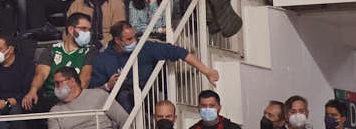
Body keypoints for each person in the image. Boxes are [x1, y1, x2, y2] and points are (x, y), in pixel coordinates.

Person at [89, 21, 218, 110]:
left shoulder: (145, 47)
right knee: (122, 97)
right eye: (129, 39)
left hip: (146, 95)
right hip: (117, 100)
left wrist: (206, 71)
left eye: (134, 37)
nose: (134, 42)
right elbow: (92, 92)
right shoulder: (103, 59)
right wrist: (107, 86)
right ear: (117, 40)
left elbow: (179, 52)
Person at [24, 14, 96, 113]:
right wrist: (33, 90)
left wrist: (74, 98)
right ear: (71, 29)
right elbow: (41, 74)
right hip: (52, 98)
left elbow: (85, 78)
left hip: (75, 98)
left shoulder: (89, 51)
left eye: (89, 30)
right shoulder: (52, 50)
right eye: (83, 29)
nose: (87, 33)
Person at [48, 67, 128, 129]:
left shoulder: (99, 95)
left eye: (59, 83)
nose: (56, 87)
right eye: (54, 83)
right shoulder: (54, 111)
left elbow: (123, 118)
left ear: (72, 81)